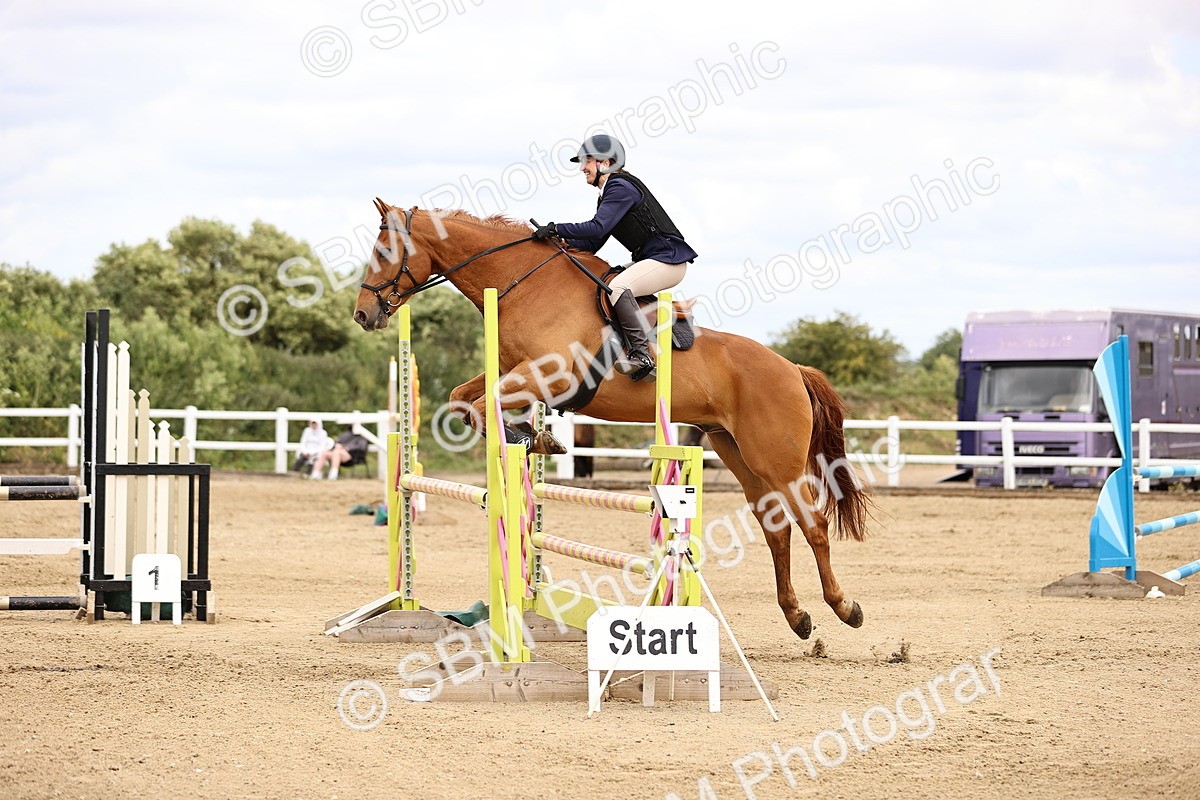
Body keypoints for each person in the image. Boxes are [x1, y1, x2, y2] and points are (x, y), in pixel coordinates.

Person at [532, 134, 698, 382]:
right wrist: (556, 244)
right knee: (607, 278)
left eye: (586, 161)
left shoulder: (620, 186)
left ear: (606, 162)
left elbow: (597, 228)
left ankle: (642, 356)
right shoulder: (610, 190)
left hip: (668, 261)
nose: (582, 168)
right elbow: (592, 243)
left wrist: (558, 228)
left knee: (617, 287)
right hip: (654, 259)